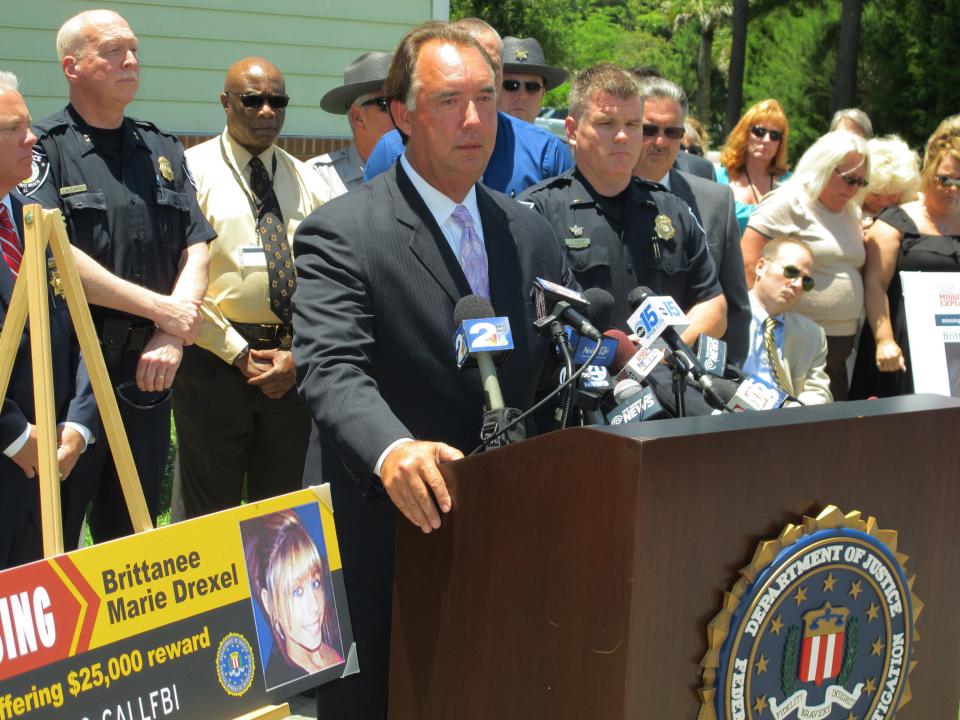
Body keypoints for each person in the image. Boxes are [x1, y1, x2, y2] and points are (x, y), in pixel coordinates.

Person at [292, 22, 575, 720]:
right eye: (450, 101)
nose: (476, 119)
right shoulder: (342, 231)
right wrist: (393, 450)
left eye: (488, 96)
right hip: (377, 537)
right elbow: (331, 369)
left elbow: (550, 375)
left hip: (497, 541)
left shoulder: (529, 231)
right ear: (402, 113)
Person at [22, 9, 214, 545]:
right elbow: (54, 258)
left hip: (147, 374)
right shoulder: (44, 151)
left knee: (133, 535)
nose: (129, 60)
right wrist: (164, 311)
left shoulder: (162, 148)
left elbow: (197, 244)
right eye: (111, 51)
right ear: (72, 66)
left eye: (133, 49)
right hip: (67, 376)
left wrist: (173, 333)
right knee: (50, 535)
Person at [174, 58, 332, 519]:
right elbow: (179, 279)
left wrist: (297, 356)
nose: (267, 111)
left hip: (290, 368)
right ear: (225, 103)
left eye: (277, 101)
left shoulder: (309, 180)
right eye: (252, 100)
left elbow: (330, 277)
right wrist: (238, 352)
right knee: (207, 513)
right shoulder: (190, 173)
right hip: (214, 365)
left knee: (285, 515)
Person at [521, 64, 725, 339]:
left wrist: (656, 355)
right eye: (607, 124)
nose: (622, 136)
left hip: (663, 378)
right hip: (580, 376)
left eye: (633, 124)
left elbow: (713, 305)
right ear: (571, 130)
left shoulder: (673, 211)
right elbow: (524, 315)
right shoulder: (537, 214)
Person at [0, 72, 97, 568]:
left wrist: (78, 422)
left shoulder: (35, 216)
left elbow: (79, 322)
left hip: (53, 468)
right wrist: (15, 435)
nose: (32, 137)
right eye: (13, 127)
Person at [362, 18, 573, 197]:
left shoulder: (546, 152)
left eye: (490, 63)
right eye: (449, 100)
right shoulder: (392, 150)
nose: (478, 73)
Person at [742, 130, 869, 400]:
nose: (854, 189)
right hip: (789, 340)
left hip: (839, 342)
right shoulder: (788, 201)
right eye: (848, 179)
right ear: (824, 166)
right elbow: (749, 261)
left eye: (861, 181)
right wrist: (755, 323)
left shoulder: (851, 211)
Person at [631, 76, 750, 366]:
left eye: (672, 132)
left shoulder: (716, 201)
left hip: (693, 378)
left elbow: (735, 306)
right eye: (650, 130)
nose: (660, 142)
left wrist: (726, 375)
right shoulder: (602, 193)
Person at [850, 131, 960, 399]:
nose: (954, 188)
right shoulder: (894, 221)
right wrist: (884, 340)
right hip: (900, 352)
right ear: (928, 169)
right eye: (945, 179)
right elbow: (875, 285)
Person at [243, 509, 343, 688]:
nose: (313, 606)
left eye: (315, 583)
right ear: (269, 603)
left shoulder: (340, 636)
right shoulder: (279, 682)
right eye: (297, 592)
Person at [744, 237, 832, 405]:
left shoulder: (812, 334)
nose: (797, 284)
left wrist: (794, 412)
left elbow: (818, 391)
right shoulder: (726, 316)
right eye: (791, 272)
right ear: (761, 267)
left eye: (806, 281)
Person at [309, 51, 394, 196]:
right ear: (358, 118)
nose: (401, 113)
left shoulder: (420, 172)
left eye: (404, 101)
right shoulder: (319, 178)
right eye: (386, 103)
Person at [717, 99, 792, 233]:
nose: (766, 140)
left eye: (775, 135)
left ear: (781, 143)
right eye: (759, 131)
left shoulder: (791, 184)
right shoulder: (718, 177)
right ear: (744, 134)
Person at [497, 36, 566, 123]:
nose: (522, 96)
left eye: (532, 87)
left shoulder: (548, 137)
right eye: (511, 85)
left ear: (542, 95)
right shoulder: (475, 136)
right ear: (494, 91)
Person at [861, 134, 920, 220]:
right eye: (875, 194)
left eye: (893, 195)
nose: (883, 203)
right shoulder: (844, 213)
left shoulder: (917, 210)